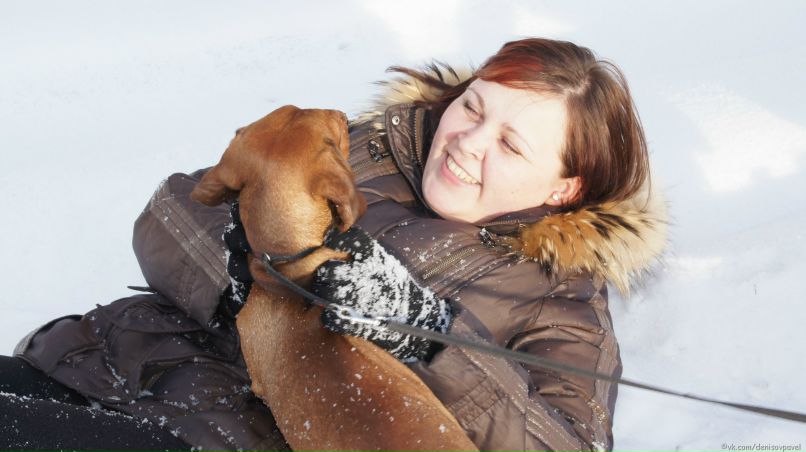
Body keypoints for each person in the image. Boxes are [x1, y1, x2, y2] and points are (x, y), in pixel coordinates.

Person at [2, 38, 666, 451]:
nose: (467, 141)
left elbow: (565, 446)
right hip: (101, 362)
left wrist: (430, 336)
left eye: (511, 144)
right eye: (473, 107)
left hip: (220, 438)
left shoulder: (560, 301)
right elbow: (171, 211)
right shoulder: (359, 148)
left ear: (564, 187)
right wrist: (247, 272)